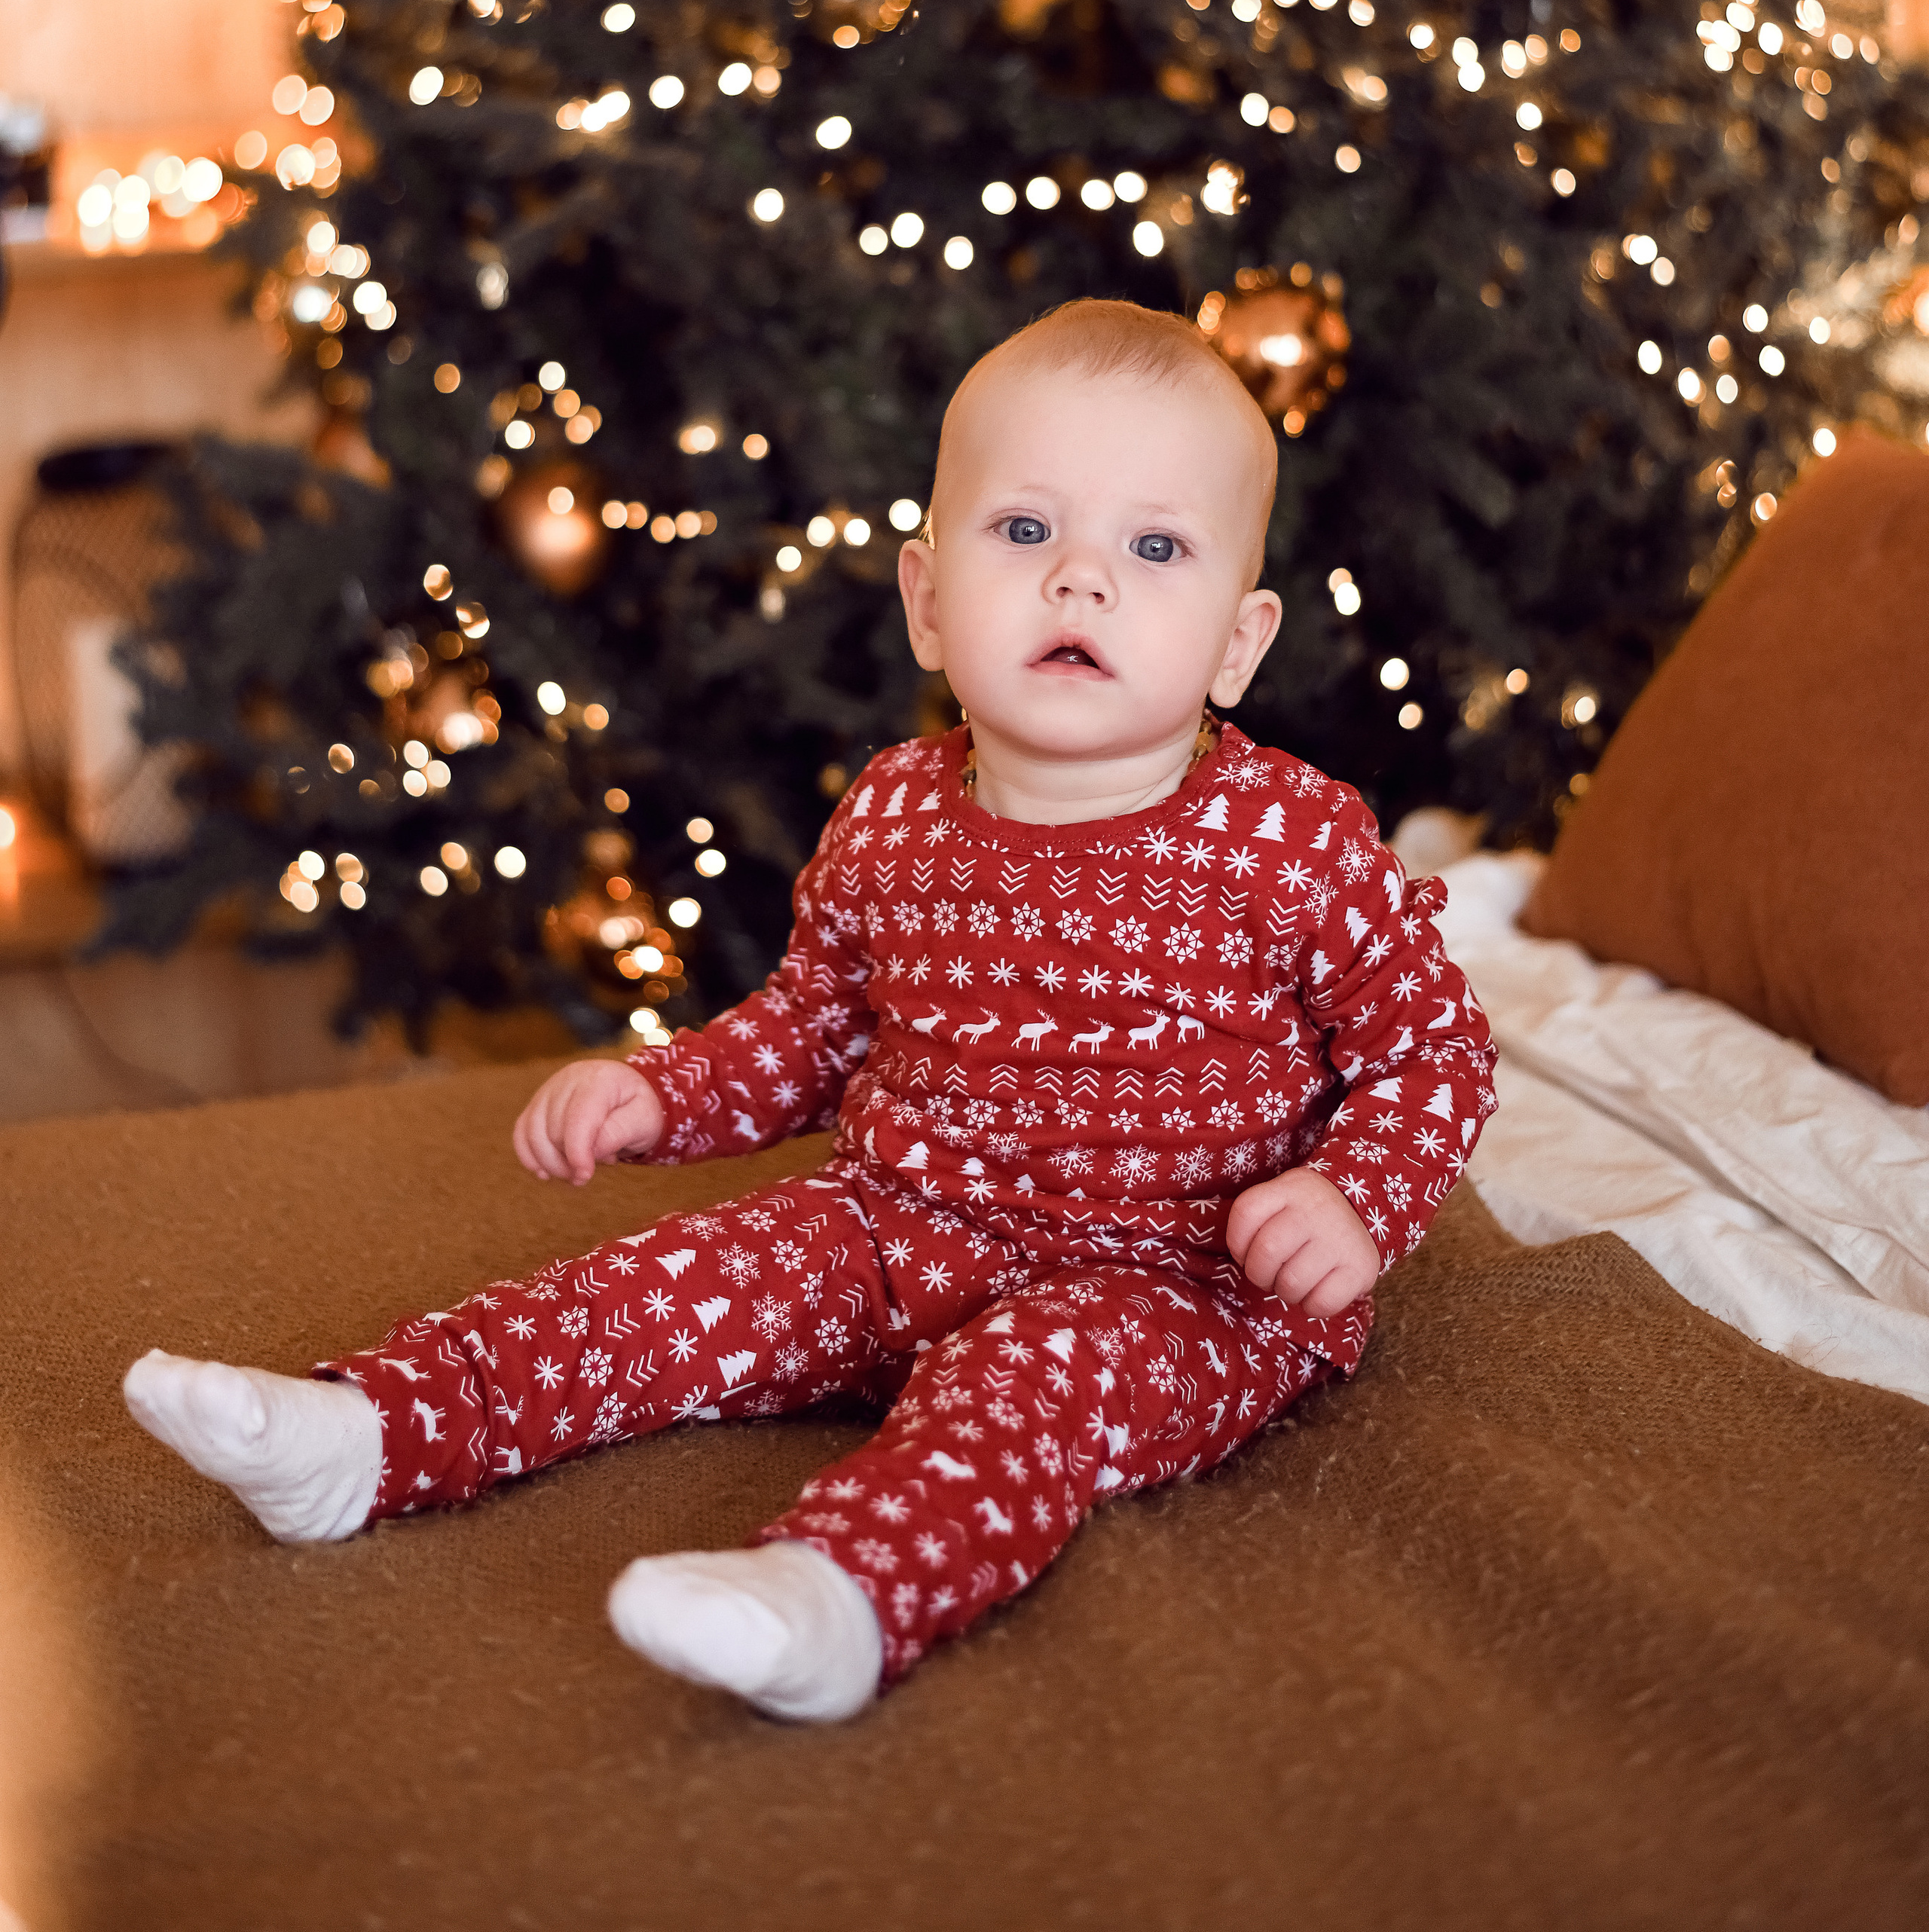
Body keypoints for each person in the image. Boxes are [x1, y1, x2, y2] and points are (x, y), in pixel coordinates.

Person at [123, 299, 1496, 1722]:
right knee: (682, 1279)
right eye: (1025, 533)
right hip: (902, 1225)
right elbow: (810, 1029)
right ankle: (371, 1431)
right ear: (926, 599)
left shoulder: (1290, 839)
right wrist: (664, 1090)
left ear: (1235, 642)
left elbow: (1435, 1052)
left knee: (1027, 1388)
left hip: (1181, 1283)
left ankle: (838, 1596)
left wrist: (1352, 1198)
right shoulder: (897, 812)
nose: (1082, 582)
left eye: (1155, 550)